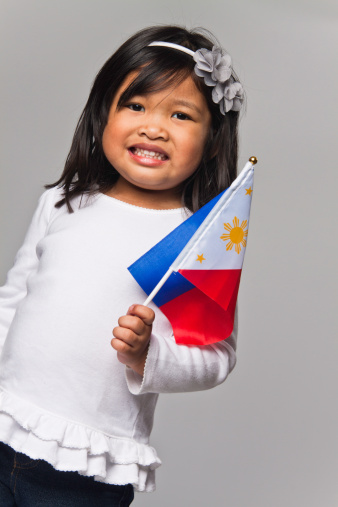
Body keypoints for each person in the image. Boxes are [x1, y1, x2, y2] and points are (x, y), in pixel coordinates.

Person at [0, 25, 244, 506]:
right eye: (135, 105)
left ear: (213, 139)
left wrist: (147, 356)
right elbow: (14, 298)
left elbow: (217, 356)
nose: (153, 127)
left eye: (180, 114)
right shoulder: (62, 203)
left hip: (84, 463)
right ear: (101, 115)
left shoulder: (195, 242)